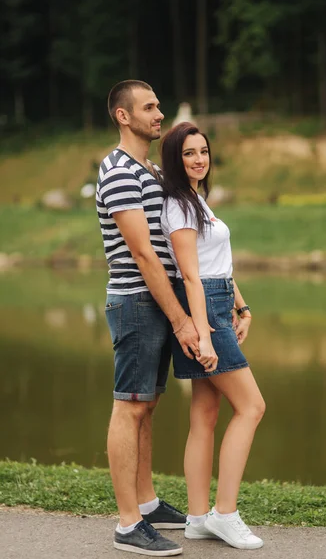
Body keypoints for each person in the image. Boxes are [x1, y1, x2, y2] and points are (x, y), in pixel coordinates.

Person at [96, 80, 201, 556]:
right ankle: (127, 525)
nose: (159, 114)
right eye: (150, 107)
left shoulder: (151, 169)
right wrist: (181, 319)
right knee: (130, 405)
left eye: (159, 106)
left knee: (148, 405)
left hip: (154, 302)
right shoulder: (118, 170)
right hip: (138, 299)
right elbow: (142, 253)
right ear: (124, 116)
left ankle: (147, 502)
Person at [160, 122, 266, 550]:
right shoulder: (179, 206)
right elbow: (190, 274)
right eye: (189, 153)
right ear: (175, 158)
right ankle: (225, 514)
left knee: (204, 415)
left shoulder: (197, 200)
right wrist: (203, 332)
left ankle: (198, 518)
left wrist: (242, 307)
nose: (199, 159)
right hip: (203, 310)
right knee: (253, 406)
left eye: (203, 151)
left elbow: (219, 264)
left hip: (220, 302)